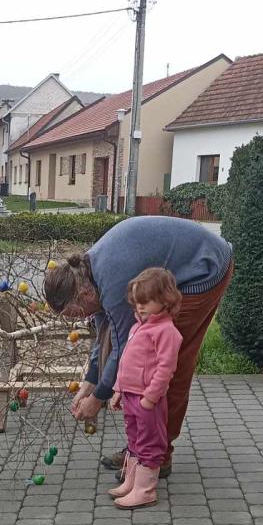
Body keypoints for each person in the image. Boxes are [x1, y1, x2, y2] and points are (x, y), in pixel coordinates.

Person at [45, 215, 234, 479]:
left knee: (166, 368)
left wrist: (97, 399)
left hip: (204, 269)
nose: (82, 318)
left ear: (84, 294)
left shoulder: (112, 282)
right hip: (188, 260)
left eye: (76, 314)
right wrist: (90, 382)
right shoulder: (88, 275)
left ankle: (155, 458)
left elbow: (124, 348)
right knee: (148, 365)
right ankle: (141, 450)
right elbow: (104, 337)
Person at [107, 267, 183, 509]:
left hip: (147, 399)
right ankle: (132, 482)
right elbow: (126, 362)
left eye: (146, 301)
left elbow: (166, 369)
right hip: (131, 395)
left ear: (165, 299)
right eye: (137, 301)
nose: (140, 307)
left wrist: (151, 397)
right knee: (134, 439)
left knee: (149, 441)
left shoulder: (167, 331)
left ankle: (145, 490)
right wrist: (118, 389)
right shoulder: (138, 326)